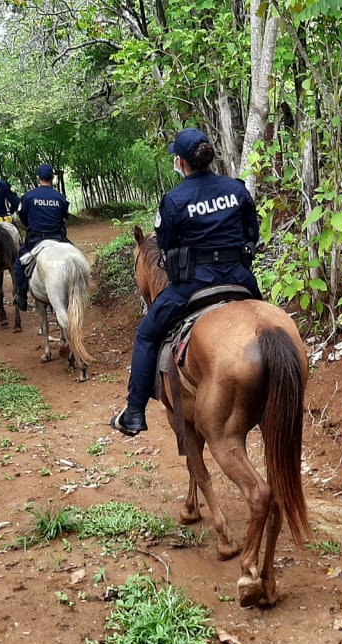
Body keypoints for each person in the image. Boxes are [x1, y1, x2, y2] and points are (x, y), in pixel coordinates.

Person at [109, 128, 261, 437]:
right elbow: (252, 232)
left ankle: (135, 412)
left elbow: (166, 246)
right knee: (268, 325)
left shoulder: (174, 200)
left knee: (146, 335)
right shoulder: (236, 188)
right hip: (241, 278)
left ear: (181, 162)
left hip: (193, 283)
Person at [13, 164, 70, 311]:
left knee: (19, 264)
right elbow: (64, 218)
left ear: (38, 178)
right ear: (53, 178)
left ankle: (22, 296)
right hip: (58, 239)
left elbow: (23, 217)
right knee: (75, 256)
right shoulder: (60, 197)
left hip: (36, 240)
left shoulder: (28, 196)